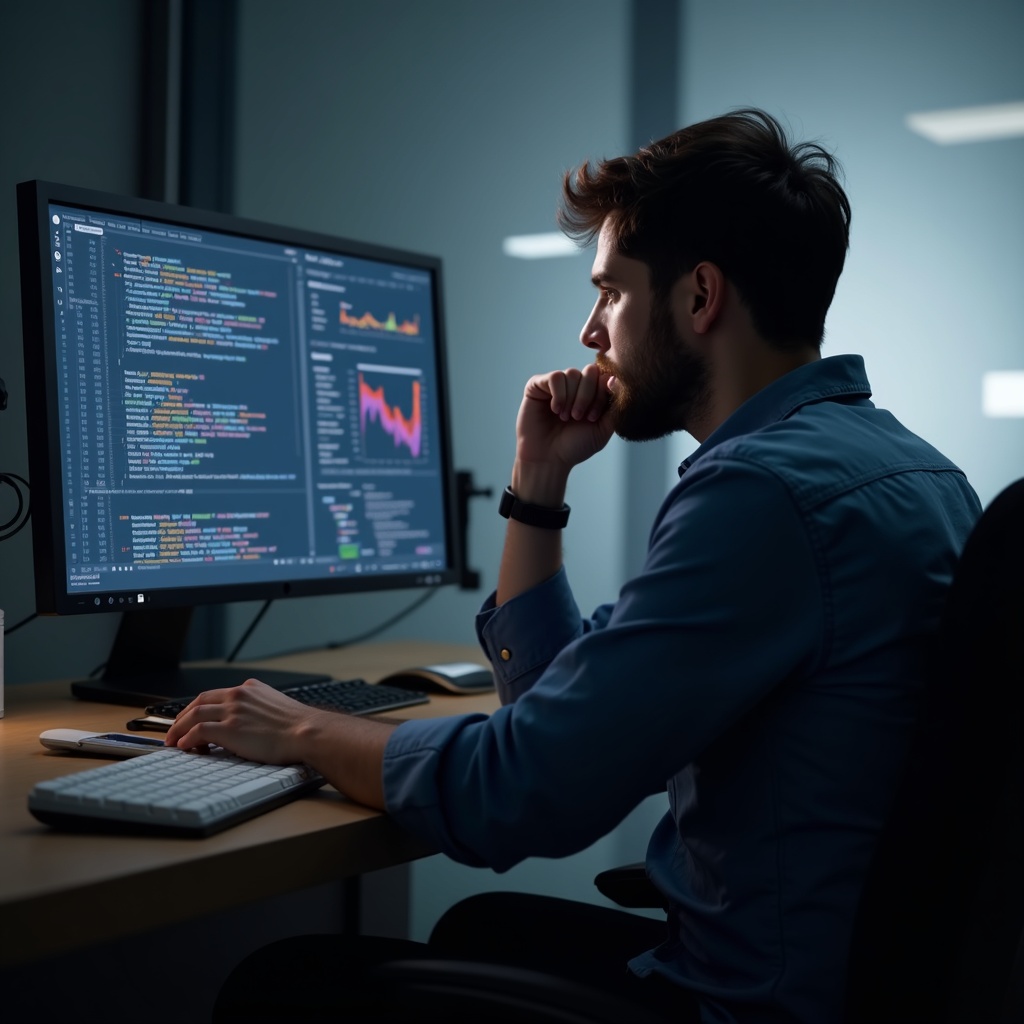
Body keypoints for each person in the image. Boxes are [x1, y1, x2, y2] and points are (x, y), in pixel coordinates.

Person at [166, 109, 981, 1022]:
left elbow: (520, 795)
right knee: (482, 931)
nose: (591, 330)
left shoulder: (763, 497)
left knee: (286, 990)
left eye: (611, 292)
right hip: (844, 974)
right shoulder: (905, 467)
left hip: (749, 1003)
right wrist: (538, 481)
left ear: (699, 296)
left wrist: (304, 732)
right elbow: (566, 716)